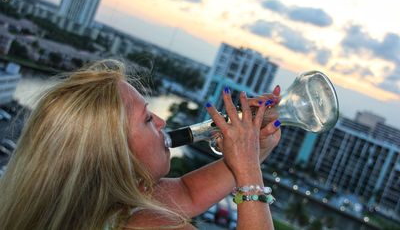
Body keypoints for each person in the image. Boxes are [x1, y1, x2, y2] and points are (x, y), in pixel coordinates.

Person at [0, 59, 281, 230]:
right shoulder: (145, 225)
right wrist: (248, 172)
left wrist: (254, 149)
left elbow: (188, 192)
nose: (160, 120)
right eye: (147, 118)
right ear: (115, 152)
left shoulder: (99, 202)